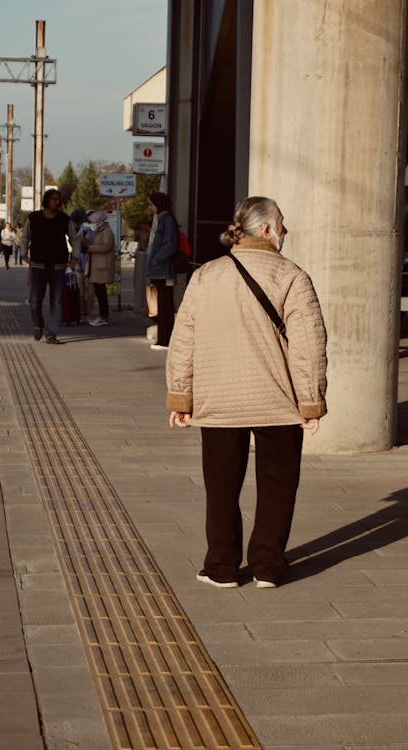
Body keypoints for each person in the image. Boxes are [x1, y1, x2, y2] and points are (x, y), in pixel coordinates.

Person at [166, 196, 327, 589]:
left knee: (221, 487)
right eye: (282, 223)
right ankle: (268, 567)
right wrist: (311, 401)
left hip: (218, 400)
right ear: (268, 230)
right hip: (278, 401)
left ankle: (221, 567)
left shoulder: (206, 276)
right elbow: (309, 344)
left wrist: (180, 397)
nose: (286, 231)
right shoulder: (292, 276)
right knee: (278, 485)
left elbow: (183, 338)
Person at [20, 188, 77, 344]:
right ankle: (38, 324)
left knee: (56, 301)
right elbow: (25, 237)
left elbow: (74, 238)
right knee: (34, 301)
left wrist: (75, 257)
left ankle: (51, 333)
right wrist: (24, 254)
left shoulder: (64, 219)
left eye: (59, 199)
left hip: (58, 266)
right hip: (38, 265)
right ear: (47, 200)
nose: (57, 202)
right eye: (54, 199)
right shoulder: (34, 218)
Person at [147, 192, 178, 350]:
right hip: (161, 269)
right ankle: (164, 338)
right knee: (163, 304)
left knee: (164, 304)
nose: (150, 207)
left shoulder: (165, 219)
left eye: (151, 204)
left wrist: (156, 259)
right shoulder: (163, 218)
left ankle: (165, 340)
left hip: (163, 269)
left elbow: (170, 245)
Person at [83, 210, 115, 327]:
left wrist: (90, 247)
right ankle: (103, 316)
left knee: (101, 292)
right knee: (99, 291)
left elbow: (106, 247)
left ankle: (104, 316)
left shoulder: (106, 232)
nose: (91, 223)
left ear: (99, 221)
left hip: (102, 266)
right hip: (97, 265)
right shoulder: (99, 231)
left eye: (92, 221)